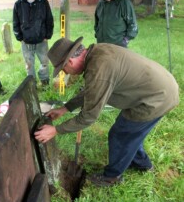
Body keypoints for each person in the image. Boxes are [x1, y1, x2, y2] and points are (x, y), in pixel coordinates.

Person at [34, 36, 179, 187]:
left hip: (156, 99)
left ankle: (112, 177)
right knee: (132, 133)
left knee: (121, 135)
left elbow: (88, 117)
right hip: (159, 88)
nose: (66, 72)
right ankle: (142, 164)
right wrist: (65, 108)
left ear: (70, 61)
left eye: (63, 69)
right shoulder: (96, 53)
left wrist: (56, 130)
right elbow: (92, 91)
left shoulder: (99, 69)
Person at [13, 0, 54, 87]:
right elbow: (15, 22)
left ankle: (44, 82)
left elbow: (49, 19)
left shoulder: (43, 2)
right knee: (29, 65)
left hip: (41, 40)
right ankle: (32, 84)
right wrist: (20, 37)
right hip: (26, 41)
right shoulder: (18, 4)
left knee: (44, 62)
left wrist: (47, 35)